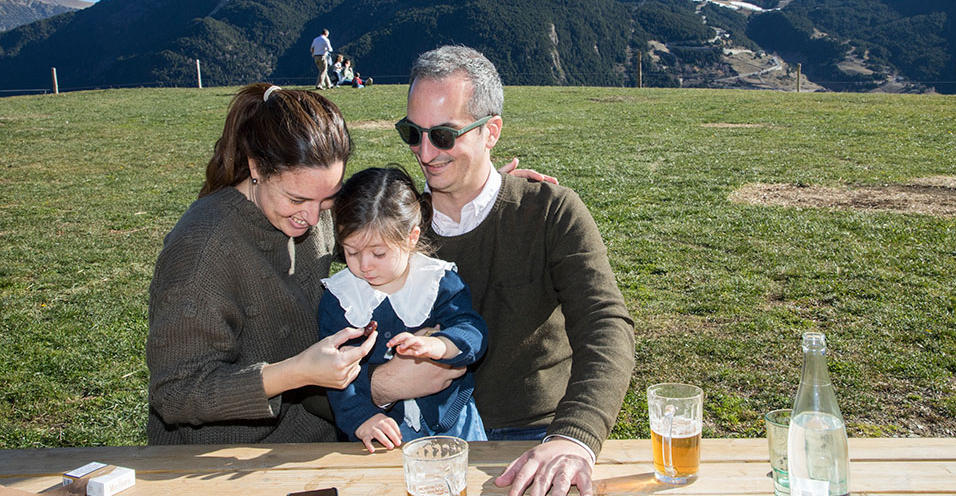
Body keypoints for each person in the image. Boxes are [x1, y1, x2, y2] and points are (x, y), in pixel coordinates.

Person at [371, 46, 635, 496]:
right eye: (412, 133)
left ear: (491, 131)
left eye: (444, 135)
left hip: (536, 437)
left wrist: (574, 438)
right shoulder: (392, 228)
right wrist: (376, 388)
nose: (424, 151)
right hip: (417, 437)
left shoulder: (550, 211)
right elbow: (329, 335)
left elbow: (606, 326)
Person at [146, 83, 377, 444]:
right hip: (219, 460)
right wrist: (297, 373)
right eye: (297, 198)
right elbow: (175, 392)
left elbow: (384, 230)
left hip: (313, 440)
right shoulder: (202, 249)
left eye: (328, 198)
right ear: (256, 167)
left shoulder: (310, 207)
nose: (314, 218)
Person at [318, 166, 488, 452]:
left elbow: (472, 330)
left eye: (379, 253)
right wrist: (362, 417)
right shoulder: (341, 297)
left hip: (454, 422)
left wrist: (440, 346)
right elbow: (335, 372)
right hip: (382, 434)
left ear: (410, 238)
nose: (364, 264)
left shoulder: (437, 280)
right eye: (351, 252)